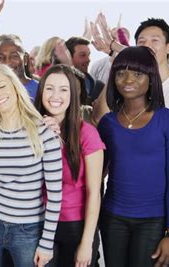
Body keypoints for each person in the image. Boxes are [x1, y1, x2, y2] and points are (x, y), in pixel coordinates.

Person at [0, 64, 62, 267]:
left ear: (15, 87)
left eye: (2, 86)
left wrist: (47, 243)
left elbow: (55, 193)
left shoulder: (43, 132)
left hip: (29, 229)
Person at [97, 46, 169, 267]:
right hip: (113, 217)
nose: (128, 79)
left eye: (138, 73)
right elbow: (97, 174)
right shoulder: (107, 123)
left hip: (153, 221)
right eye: (120, 73)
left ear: (151, 78)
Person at [34, 64, 104, 266]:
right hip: (39, 222)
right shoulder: (31, 128)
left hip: (76, 226)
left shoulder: (87, 133)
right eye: (49, 88)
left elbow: (94, 192)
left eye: (63, 89)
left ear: (73, 95)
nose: (55, 95)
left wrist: (86, 243)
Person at [0, 34, 39, 99]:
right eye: (1, 57)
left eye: (14, 56)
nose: (7, 62)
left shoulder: (41, 91)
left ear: (26, 59)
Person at [65, 37, 105, 104]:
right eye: (82, 55)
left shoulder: (99, 87)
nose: (88, 60)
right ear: (68, 57)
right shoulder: (58, 84)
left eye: (88, 55)